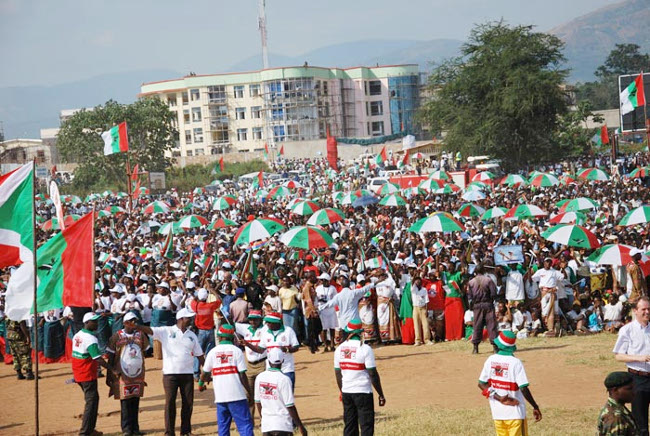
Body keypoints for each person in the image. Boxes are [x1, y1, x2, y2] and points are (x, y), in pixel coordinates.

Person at [134, 308, 204, 436]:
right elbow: (150, 330)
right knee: (170, 402)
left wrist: (205, 371)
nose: (191, 319)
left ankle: (186, 431)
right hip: (170, 374)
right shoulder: (166, 331)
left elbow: (200, 355)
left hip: (188, 374)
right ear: (181, 319)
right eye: (189, 317)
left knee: (188, 403)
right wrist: (137, 326)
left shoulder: (192, 335)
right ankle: (169, 432)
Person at [478, 330, 542, 436]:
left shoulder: (490, 360)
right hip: (515, 414)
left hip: (498, 413)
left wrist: (499, 398)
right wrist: (535, 406)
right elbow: (523, 388)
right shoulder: (516, 363)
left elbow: (481, 384)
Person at [334, 319, 386, 436]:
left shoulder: (339, 349)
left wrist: (342, 390)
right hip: (363, 392)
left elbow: (338, 374)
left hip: (347, 391)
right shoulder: (365, 349)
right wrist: (381, 394)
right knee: (366, 425)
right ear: (360, 332)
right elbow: (372, 374)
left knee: (349, 425)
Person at [201, 324, 254, 436]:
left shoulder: (212, 352)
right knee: (245, 426)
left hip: (220, 397)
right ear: (233, 338)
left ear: (219, 337)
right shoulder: (237, 351)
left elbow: (204, 373)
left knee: (223, 428)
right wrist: (250, 393)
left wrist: (202, 383)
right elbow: (242, 375)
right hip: (237, 396)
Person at [106, 311, 149, 436]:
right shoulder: (116, 336)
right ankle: (126, 429)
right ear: (125, 323)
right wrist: (110, 374)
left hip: (137, 374)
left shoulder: (141, 335)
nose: (134, 323)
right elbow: (111, 356)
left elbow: (144, 351)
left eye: (135, 321)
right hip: (122, 375)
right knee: (125, 402)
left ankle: (135, 429)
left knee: (135, 401)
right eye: (131, 321)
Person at [613, 296, 650, 435]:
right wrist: (639, 358)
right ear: (635, 311)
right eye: (643, 309)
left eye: (649, 309)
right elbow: (618, 355)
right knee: (640, 423)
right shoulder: (627, 330)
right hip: (637, 379)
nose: (647, 312)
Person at [72, 312, 113, 436]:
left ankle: (90, 430)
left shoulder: (78, 334)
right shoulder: (90, 338)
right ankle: (85, 432)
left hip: (78, 372)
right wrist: (111, 369)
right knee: (92, 402)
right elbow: (98, 358)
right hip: (87, 373)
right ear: (86, 322)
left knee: (92, 400)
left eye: (96, 321)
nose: (96, 323)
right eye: (93, 321)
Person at [255, 348, 308, 436]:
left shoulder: (260, 377)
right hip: (283, 425)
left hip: (267, 426)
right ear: (282, 360)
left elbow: (258, 402)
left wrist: (263, 418)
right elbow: (290, 406)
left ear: (268, 360)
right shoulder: (284, 379)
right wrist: (300, 426)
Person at [241, 311, 300, 391]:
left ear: (276, 323)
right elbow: (260, 350)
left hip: (287, 369)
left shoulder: (288, 331)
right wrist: (247, 344)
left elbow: (296, 347)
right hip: (270, 370)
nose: (267, 324)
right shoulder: (265, 333)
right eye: (267, 322)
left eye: (269, 322)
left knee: (288, 394)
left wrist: (287, 349)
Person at [190, 287, 221, 380]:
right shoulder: (210, 306)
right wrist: (213, 291)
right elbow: (219, 299)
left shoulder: (196, 306)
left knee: (198, 352)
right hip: (210, 331)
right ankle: (207, 373)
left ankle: (196, 373)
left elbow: (193, 300)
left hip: (200, 332)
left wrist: (197, 296)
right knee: (209, 353)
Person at [467, 264, 499, 354]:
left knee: (477, 325)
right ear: (484, 271)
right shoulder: (488, 280)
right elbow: (493, 294)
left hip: (477, 305)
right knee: (491, 325)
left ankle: (475, 347)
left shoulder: (471, 282)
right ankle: (495, 346)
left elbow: (469, 296)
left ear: (475, 272)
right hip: (488, 304)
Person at [242, 310, 267, 421]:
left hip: (262, 363)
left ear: (260, 319)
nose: (252, 321)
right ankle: (249, 420)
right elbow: (230, 323)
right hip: (249, 365)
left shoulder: (265, 329)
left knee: (263, 394)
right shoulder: (245, 329)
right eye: (250, 319)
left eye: (255, 319)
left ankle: (265, 419)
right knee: (249, 395)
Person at [597, 371, 639, 436]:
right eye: (629, 389)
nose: (634, 392)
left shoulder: (616, 408)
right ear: (615, 390)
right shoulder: (616, 418)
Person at [411, 277, 433, 346]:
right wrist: (414, 276)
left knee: (425, 324)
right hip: (415, 307)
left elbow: (427, 301)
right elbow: (412, 283)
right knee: (416, 325)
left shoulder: (424, 289)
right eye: (416, 280)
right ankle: (418, 340)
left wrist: (426, 310)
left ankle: (427, 340)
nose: (417, 282)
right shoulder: (413, 289)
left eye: (419, 280)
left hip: (423, 308)